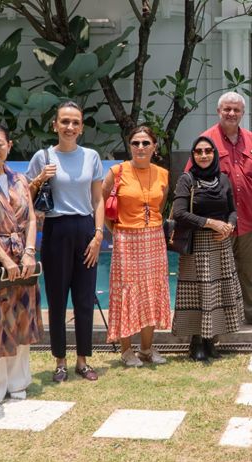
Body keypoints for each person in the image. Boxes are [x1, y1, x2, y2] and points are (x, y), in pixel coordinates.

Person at [27, 101, 104, 382]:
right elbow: (25, 196)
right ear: (55, 125)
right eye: (64, 122)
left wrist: (98, 235)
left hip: (85, 228)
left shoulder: (91, 157)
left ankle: (82, 360)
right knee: (57, 298)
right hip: (56, 230)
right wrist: (38, 178)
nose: (69, 127)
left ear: (81, 127)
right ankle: (60, 360)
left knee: (84, 298)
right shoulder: (43, 156)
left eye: (75, 122)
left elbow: (98, 199)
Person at [189, 92, 252, 328]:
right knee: (216, 272)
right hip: (218, 224)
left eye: (236, 110)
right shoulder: (206, 140)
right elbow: (190, 180)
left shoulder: (251, 140)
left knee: (249, 270)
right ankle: (221, 318)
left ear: (242, 114)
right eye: (227, 109)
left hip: (247, 220)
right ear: (219, 111)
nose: (231, 114)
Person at [0, 124, 44, 403]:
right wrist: (3, 257)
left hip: (23, 258)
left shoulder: (19, 179)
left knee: (21, 319)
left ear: (9, 145)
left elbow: (30, 219)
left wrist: (29, 252)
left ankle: (18, 382)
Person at [102, 126, 171, 367]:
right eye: (135, 143)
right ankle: (126, 350)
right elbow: (101, 206)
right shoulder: (117, 172)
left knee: (152, 290)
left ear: (154, 146)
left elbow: (159, 208)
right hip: (126, 239)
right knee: (126, 291)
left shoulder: (163, 174)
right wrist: (118, 231)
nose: (140, 147)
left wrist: (147, 226)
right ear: (129, 145)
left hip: (153, 238)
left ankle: (146, 348)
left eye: (145, 143)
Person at [173, 136, 243, 361]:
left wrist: (230, 225)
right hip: (197, 245)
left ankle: (211, 340)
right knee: (198, 294)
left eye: (208, 151)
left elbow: (232, 209)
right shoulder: (187, 179)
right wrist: (210, 223)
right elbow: (179, 213)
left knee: (217, 294)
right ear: (193, 155)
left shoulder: (223, 179)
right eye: (198, 151)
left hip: (220, 244)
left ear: (214, 154)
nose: (203, 155)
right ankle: (196, 342)